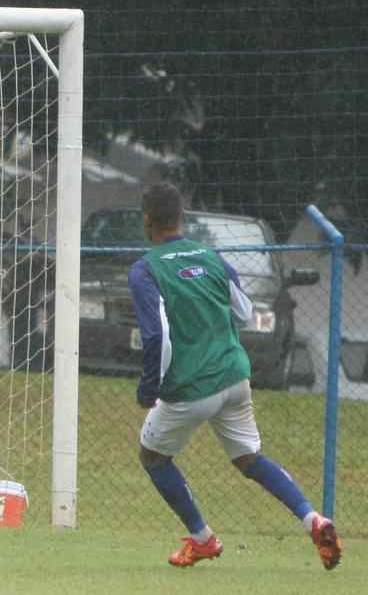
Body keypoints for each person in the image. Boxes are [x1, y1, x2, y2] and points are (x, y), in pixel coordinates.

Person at [130, 182, 341, 569]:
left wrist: (149, 387)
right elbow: (243, 311)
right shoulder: (211, 257)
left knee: (153, 457)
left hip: (191, 387)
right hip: (234, 376)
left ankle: (203, 539)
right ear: (181, 218)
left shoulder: (146, 269)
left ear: (147, 221)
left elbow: (157, 335)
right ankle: (314, 519)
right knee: (248, 458)